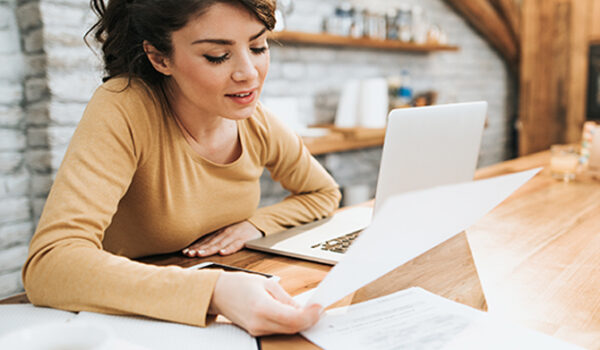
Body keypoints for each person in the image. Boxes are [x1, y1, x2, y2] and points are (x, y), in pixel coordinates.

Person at [22, 0, 341, 336]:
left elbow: (322, 193)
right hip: (122, 320)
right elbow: (49, 264)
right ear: (160, 57)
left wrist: (256, 224)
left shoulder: (256, 121)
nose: (248, 72)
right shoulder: (124, 107)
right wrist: (213, 291)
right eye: (217, 56)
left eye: (258, 46)